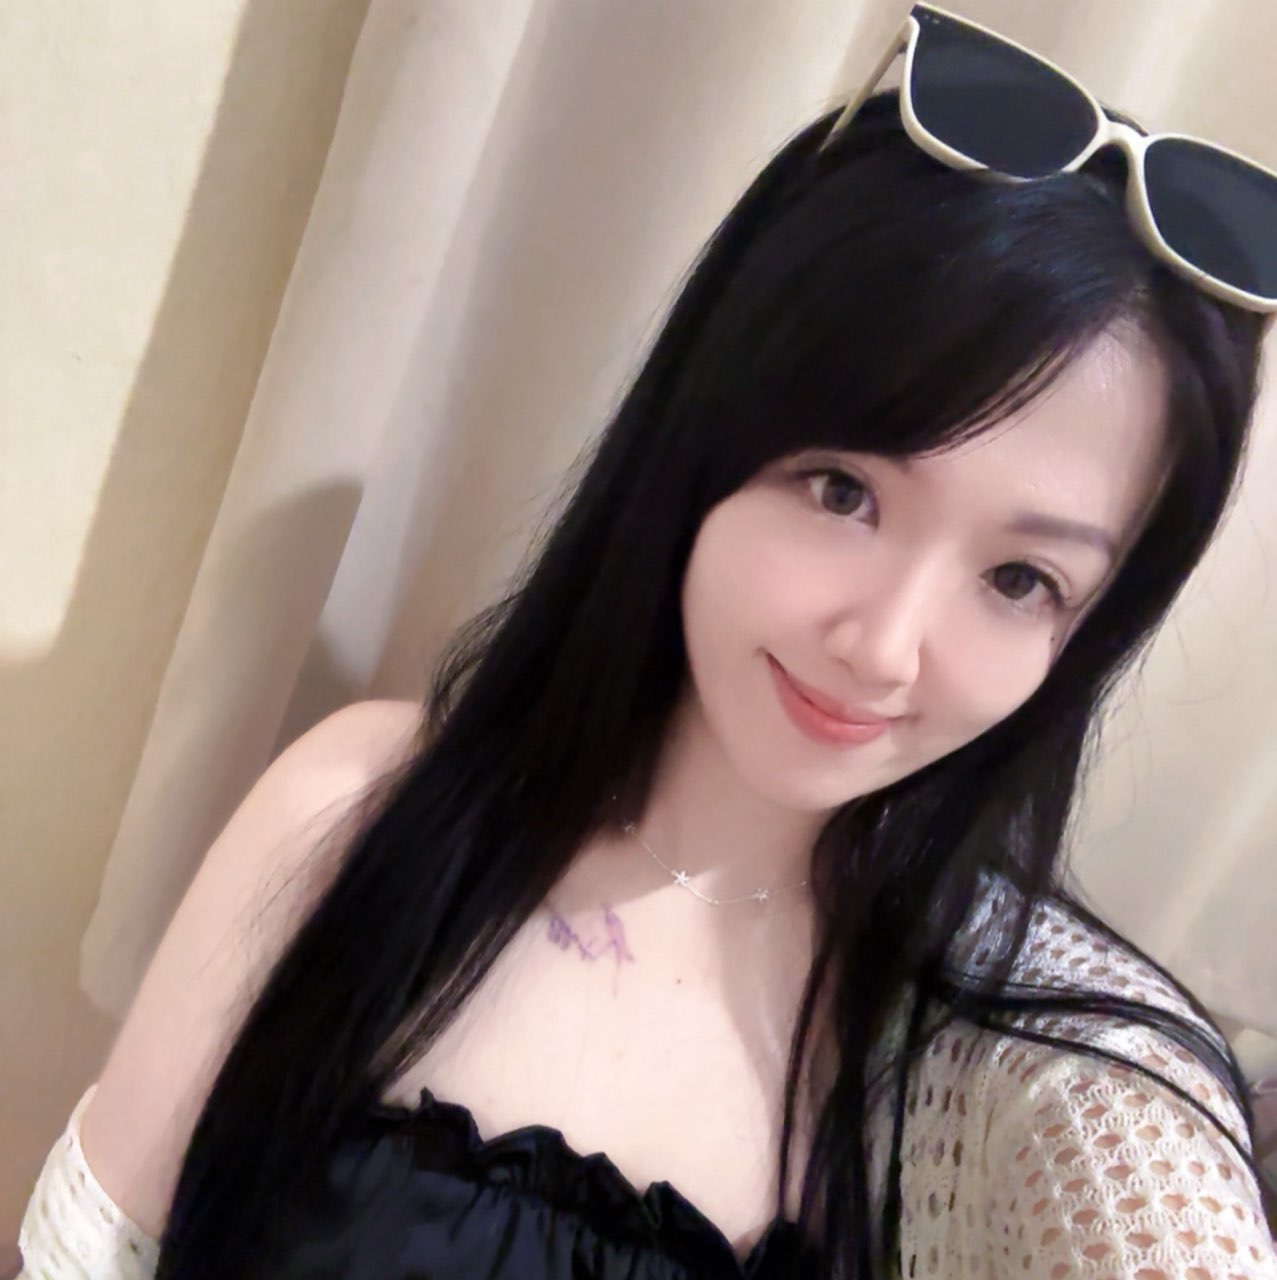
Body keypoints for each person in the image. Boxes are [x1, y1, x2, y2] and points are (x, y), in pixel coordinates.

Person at [16, 5, 1277, 1277]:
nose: (885, 647)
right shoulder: (357, 811)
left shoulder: (972, 1089)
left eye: (1017, 579)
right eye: (840, 490)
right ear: (703, 438)